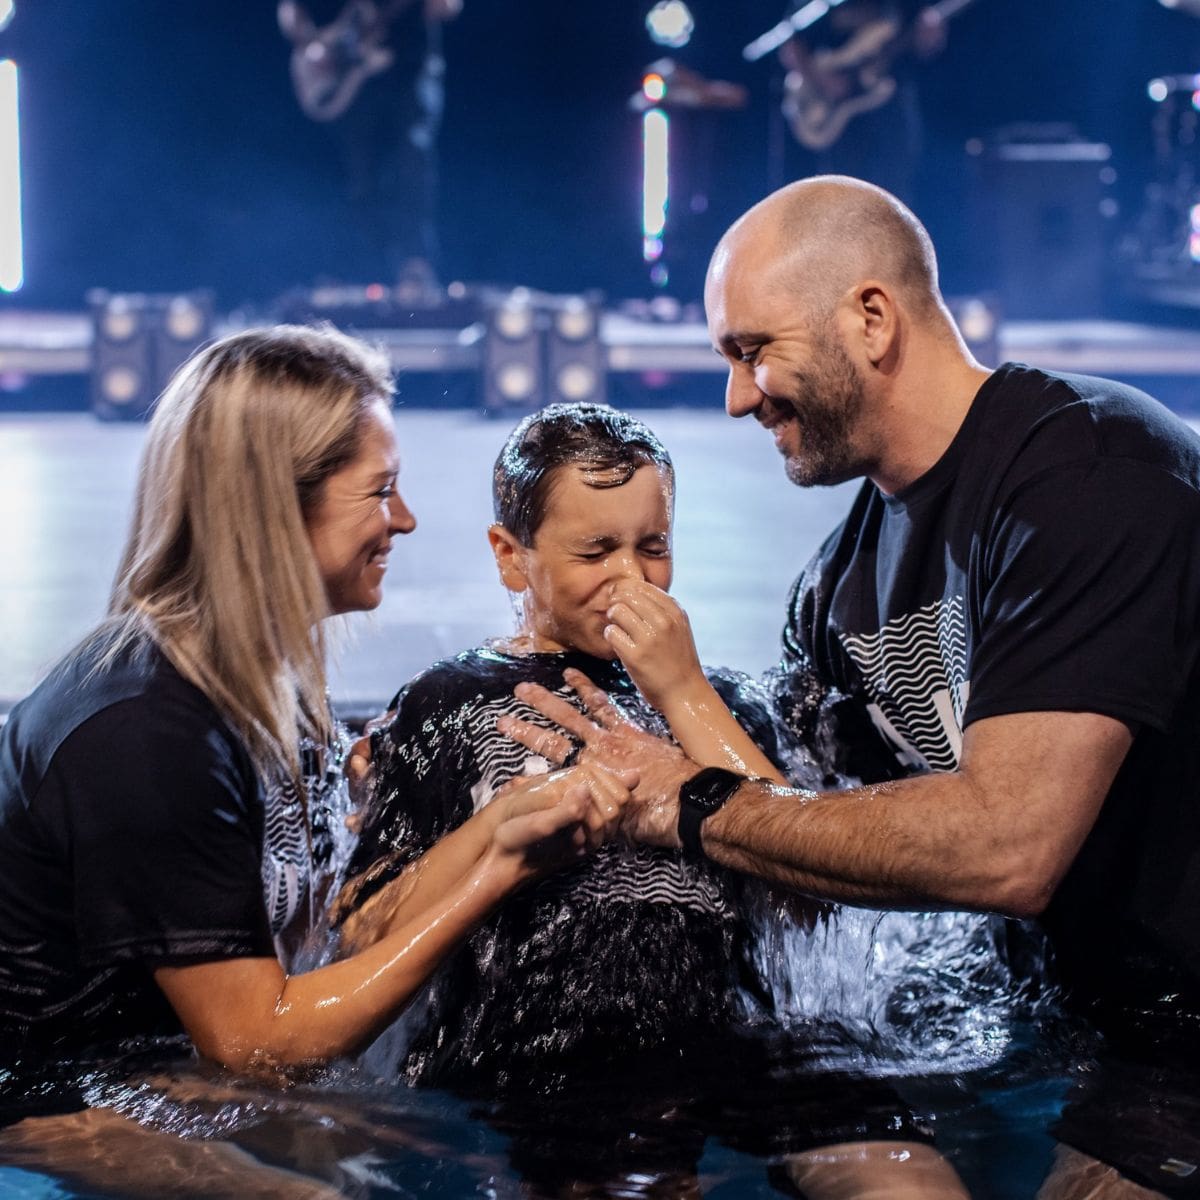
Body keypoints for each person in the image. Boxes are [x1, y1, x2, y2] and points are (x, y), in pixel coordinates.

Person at [500, 177, 1200, 1198]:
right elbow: (814, 853)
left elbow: (1010, 848)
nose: (738, 396)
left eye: (753, 350)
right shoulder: (838, 587)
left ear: (871, 319)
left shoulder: (1088, 475)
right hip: (1069, 1017)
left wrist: (679, 798)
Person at [0, 326, 633, 1192]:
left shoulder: (260, 679)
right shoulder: (147, 731)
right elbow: (257, 1046)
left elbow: (317, 931)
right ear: (274, 510)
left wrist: (497, 826)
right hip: (52, 1092)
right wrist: (500, 872)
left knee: (494, 1157)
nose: (404, 520)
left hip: (164, 1067)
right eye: (380, 491)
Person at [340, 402, 970, 1198]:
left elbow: (813, 893)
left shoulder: (725, 701)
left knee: (908, 1178)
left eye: (653, 547)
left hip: (738, 1037)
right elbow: (362, 928)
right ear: (510, 556)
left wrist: (684, 691)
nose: (631, 578)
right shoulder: (448, 703)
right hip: (547, 1050)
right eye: (594, 550)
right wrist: (502, 844)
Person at [278, 0, 459, 291]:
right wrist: (317, 43)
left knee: (413, 157)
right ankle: (361, 272)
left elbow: (446, 8)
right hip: (357, 78)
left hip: (410, 69)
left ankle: (414, 265)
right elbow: (291, 10)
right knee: (361, 174)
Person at [779, 0, 947, 207]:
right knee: (844, 194)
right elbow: (791, 44)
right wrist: (822, 81)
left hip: (892, 95)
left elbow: (921, 29)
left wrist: (929, 37)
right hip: (840, 112)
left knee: (896, 187)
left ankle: (896, 237)